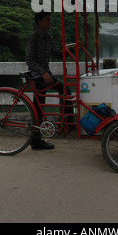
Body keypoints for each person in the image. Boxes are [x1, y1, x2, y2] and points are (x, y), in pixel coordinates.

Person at [25, 11, 75, 150]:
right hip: (38, 77)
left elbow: (57, 53)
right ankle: (66, 124)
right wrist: (43, 72)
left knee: (41, 105)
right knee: (39, 107)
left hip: (46, 76)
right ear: (39, 22)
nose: (49, 22)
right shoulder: (33, 38)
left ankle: (65, 123)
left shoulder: (48, 37)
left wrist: (72, 50)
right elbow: (29, 60)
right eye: (47, 20)